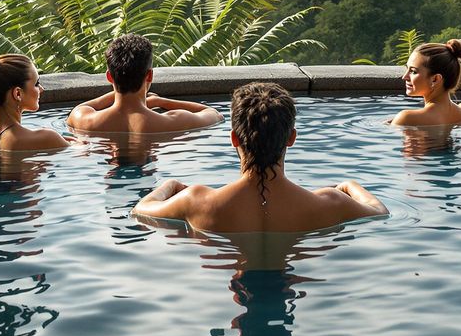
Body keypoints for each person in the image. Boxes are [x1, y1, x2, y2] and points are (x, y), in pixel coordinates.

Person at [133, 82, 388, 232]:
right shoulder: (330, 203)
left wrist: (171, 186)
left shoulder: (196, 200)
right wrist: (348, 186)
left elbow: (140, 211)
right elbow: (379, 213)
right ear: (291, 138)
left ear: (234, 138)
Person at [67, 33, 223, 133]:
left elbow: (79, 109)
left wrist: (118, 91)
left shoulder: (84, 120)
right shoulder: (172, 122)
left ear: (109, 77)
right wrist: (160, 101)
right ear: (149, 76)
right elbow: (214, 114)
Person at [0, 49, 72, 152]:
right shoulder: (47, 138)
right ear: (17, 93)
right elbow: (84, 152)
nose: (41, 89)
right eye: (36, 84)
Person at [390, 39, 461, 127]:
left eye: (413, 71)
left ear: (435, 79)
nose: (405, 77)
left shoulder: (407, 118)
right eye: (407, 69)